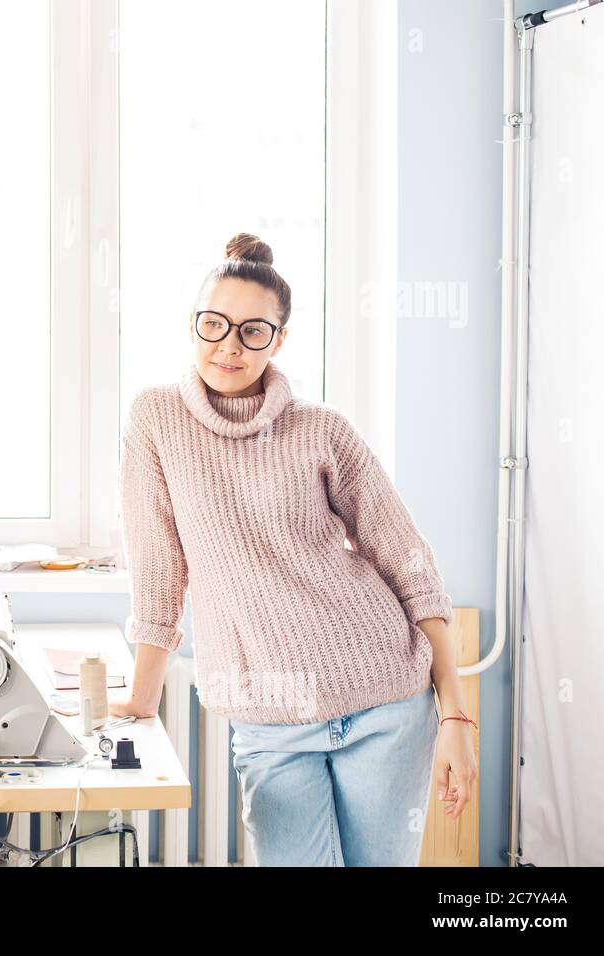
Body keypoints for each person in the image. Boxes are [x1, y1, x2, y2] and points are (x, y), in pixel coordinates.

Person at [109, 233, 478, 866]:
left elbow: (410, 564)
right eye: (214, 324)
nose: (229, 344)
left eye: (253, 331)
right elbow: (159, 574)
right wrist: (143, 700)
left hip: (384, 701)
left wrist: (456, 720)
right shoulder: (155, 419)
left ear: (279, 340)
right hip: (269, 719)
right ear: (192, 323)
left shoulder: (321, 429)